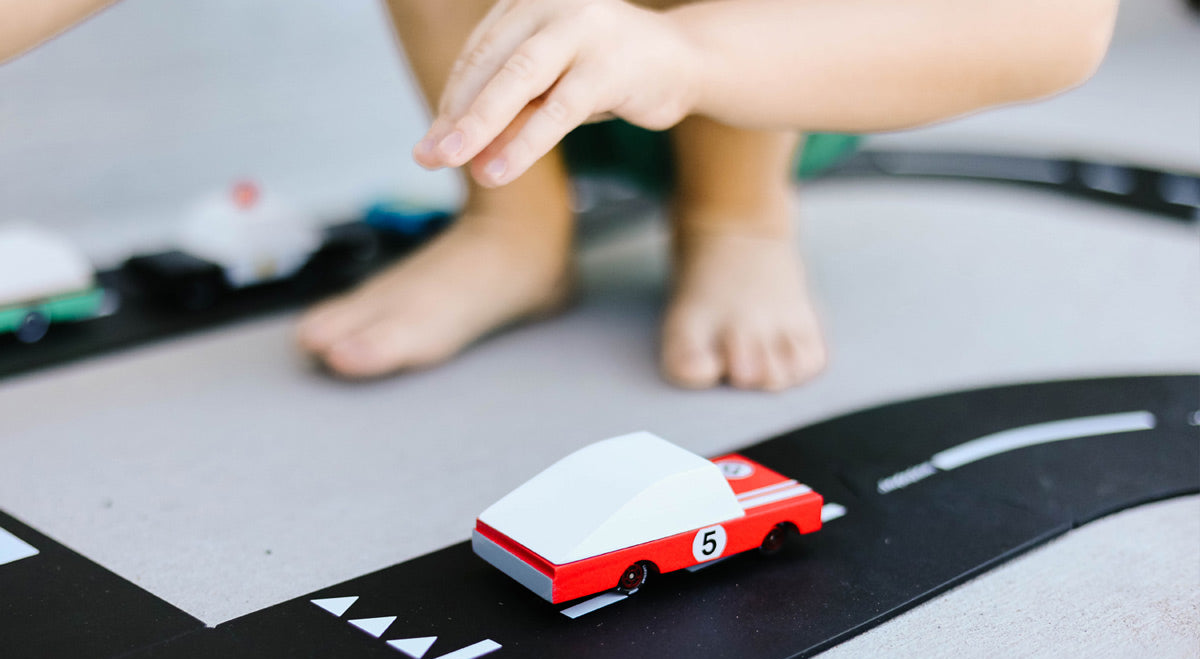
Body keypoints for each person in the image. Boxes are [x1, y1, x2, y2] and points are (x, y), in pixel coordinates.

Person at [3, 0, 1119, 390]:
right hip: (519, 67)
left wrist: (686, 54)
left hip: (794, 59)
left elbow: (1058, 23)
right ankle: (516, 228)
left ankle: (736, 213)